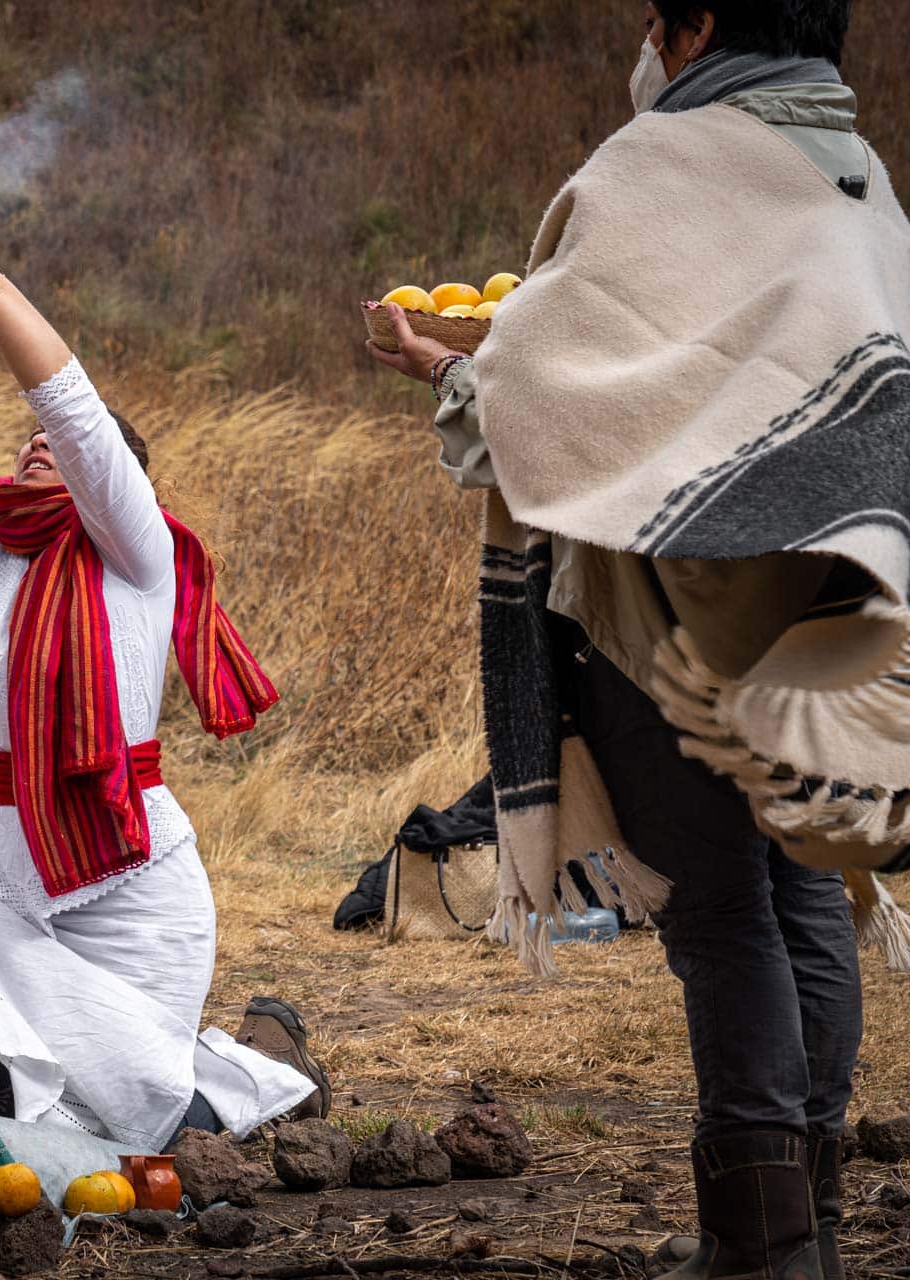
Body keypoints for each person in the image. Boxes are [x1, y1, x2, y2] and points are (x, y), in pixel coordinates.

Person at [368, 3, 907, 1276]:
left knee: (721, 914)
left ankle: (757, 1246)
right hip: (814, 602)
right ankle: (806, 1226)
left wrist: (446, 371)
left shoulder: (659, 165)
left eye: (654, 23)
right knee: (795, 898)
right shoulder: (854, 171)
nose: (646, 48)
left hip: (669, 606)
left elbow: (557, 400)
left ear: (696, 24)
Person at [0, 209, 328, 1153]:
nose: (43, 440)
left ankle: (232, 1093)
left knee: (135, 1120)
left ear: (116, 479)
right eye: (28, 437)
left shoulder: (136, 553)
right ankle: (172, 1085)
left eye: (65, 442)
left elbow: (68, 399)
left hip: (126, 900)